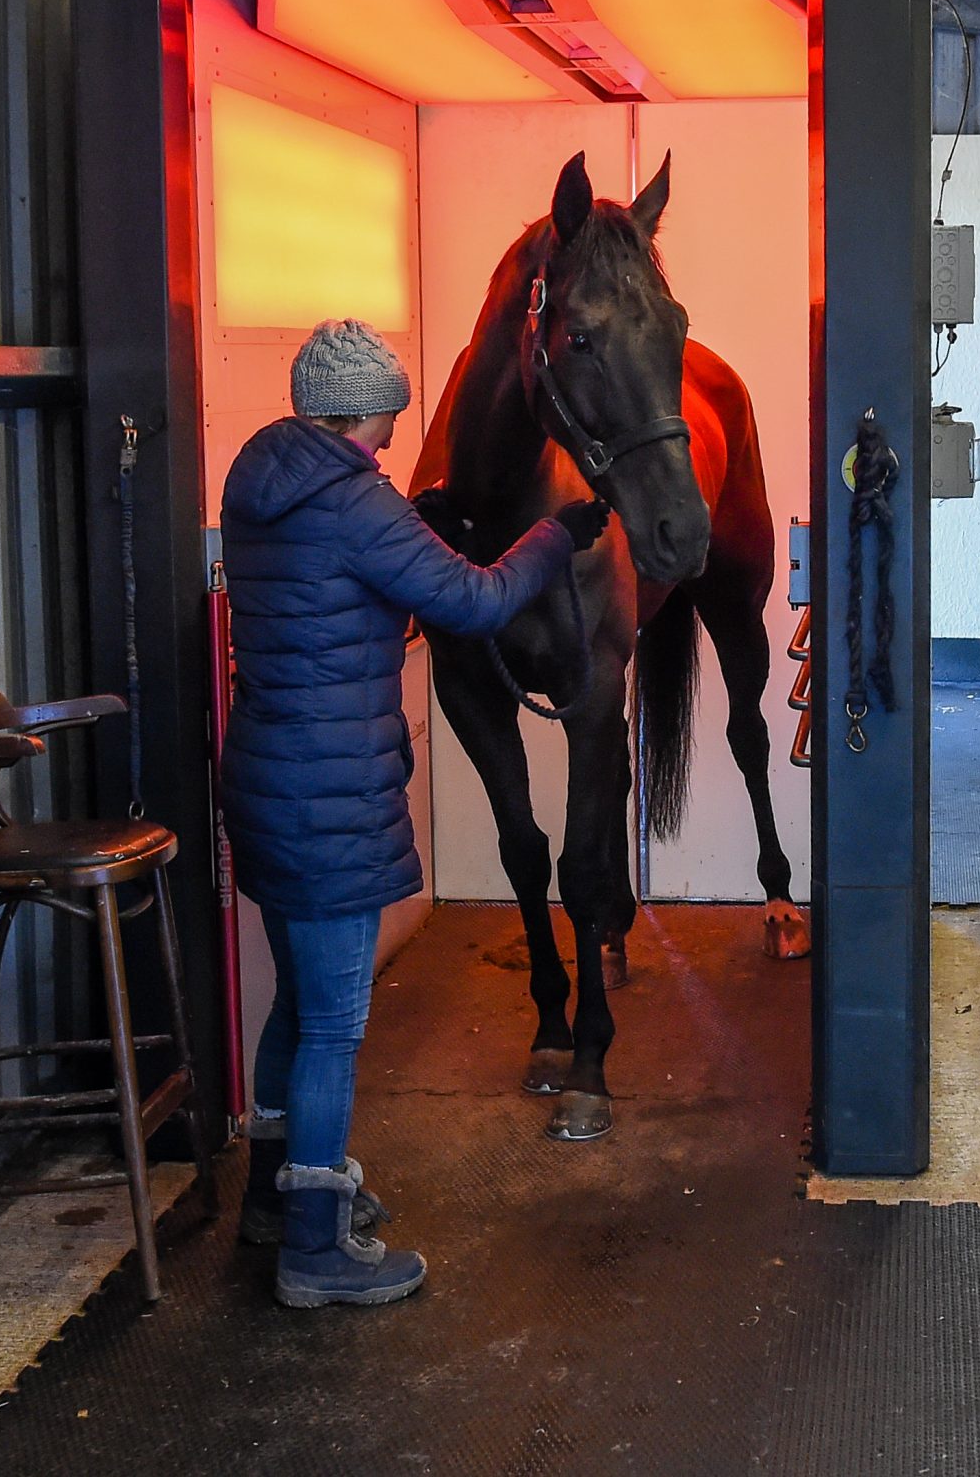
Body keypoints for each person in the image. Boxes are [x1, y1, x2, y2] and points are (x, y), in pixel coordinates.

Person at [218, 318, 609, 1308]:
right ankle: (313, 1249)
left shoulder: (258, 480)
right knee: (336, 1026)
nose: (391, 443)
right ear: (357, 413)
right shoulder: (354, 502)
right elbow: (473, 604)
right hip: (331, 794)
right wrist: (553, 536)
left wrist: (414, 523)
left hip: (268, 778)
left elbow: (345, 576)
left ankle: (272, 1200)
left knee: (297, 1006)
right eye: (385, 424)